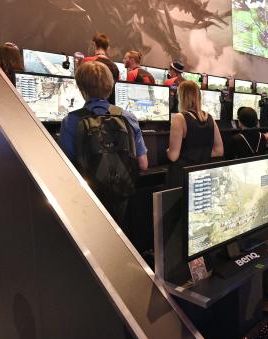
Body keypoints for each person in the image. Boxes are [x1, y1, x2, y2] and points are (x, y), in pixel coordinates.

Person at [58, 61, 147, 226]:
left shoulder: (70, 121)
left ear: (81, 88)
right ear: (110, 86)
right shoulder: (128, 117)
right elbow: (143, 164)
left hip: (88, 200)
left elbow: (66, 171)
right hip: (122, 198)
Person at [166, 81, 224, 187]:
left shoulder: (179, 118)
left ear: (181, 97)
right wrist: (201, 155)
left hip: (184, 177)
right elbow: (219, 151)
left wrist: (167, 151)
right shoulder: (210, 117)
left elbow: (173, 156)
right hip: (205, 175)